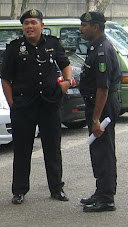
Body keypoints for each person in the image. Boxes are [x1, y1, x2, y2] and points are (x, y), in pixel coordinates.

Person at [1, 9, 72, 205]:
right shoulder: (15, 48)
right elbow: (5, 78)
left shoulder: (52, 43)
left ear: (42, 25)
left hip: (49, 104)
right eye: (26, 23)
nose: (29, 27)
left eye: (33, 22)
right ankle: (19, 190)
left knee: (52, 148)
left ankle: (56, 188)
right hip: (23, 106)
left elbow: (65, 64)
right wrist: (11, 103)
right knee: (22, 149)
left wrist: (67, 82)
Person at [78, 11, 121, 212]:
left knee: (104, 152)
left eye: (85, 25)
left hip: (102, 107)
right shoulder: (95, 47)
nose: (81, 29)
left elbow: (102, 88)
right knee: (97, 151)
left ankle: (106, 198)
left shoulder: (103, 50)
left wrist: (96, 119)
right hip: (96, 106)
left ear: (95, 27)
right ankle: (100, 190)